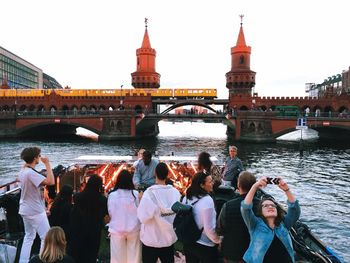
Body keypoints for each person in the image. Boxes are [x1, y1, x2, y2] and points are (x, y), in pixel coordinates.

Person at [241, 177, 301, 263]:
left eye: (273, 205)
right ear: (261, 211)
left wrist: (286, 190)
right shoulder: (254, 225)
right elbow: (246, 208)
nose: (270, 206)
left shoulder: (284, 225)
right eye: (265, 205)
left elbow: (295, 210)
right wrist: (255, 186)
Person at [137, 162, 181, 263]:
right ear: (168, 174)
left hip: (152, 239)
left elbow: (143, 217)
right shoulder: (175, 193)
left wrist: (140, 201)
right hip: (168, 239)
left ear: (155, 174)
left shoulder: (150, 193)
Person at [18, 147, 55, 263]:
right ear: (35, 158)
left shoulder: (23, 171)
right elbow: (51, 182)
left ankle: (23, 261)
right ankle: (41, 261)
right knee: (46, 237)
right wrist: (47, 164)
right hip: (34, 210)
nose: (40, 157)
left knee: (29, 237)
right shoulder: (30, 173)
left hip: (25, 208)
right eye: (39, 156)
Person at [217, 171, 259, 263]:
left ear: (238, 185)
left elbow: (220, 229)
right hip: (255, 251)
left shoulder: (227, 205)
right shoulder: (262, 205)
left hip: (232, 252)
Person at [67, 175, 108, 263]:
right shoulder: (102, 200)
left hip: (79, 230)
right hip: (94, 231)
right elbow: (105, 214)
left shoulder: (77, 197)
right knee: (91, 254)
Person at [182, 172, 221, 263]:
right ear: (202, 185)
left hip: (189, 241)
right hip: (205, 245)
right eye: (210, 182)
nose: (212, 183)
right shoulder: (207, 200)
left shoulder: (187, 197)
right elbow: (208, 229)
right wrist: (218, 240)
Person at [108, 170, 141, 263]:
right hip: (134, 228)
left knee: (117, 259)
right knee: (134, 258)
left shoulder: (112, 195)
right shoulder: (135, 194)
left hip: (117, 229)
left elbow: (110, 212)